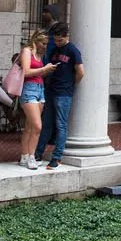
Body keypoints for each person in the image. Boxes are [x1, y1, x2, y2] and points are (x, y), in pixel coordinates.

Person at [34, 22, 83, 169]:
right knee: (46, 124)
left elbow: (80, 72)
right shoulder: (54, 50)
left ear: (66, 36)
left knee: (60, 124)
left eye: (60, 40)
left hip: (64, 92)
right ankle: (38, 153)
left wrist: (70, 84)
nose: (57, 42)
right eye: (55, 40)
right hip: (51, 90)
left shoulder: (73, 50)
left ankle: (57, 157)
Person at [16, 30, 57, 169]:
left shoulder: (40, 55)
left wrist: (47, 70)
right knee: (37, 126)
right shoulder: (27, 51)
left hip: (40, 89)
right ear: (36, 40)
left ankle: (24, 156)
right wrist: (44, 69)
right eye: (43, 43)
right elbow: (26, 72)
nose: (45, 46)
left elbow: (38, 73)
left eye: (46, 44)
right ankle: (32, 157)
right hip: (29, 89)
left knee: (29, 126)